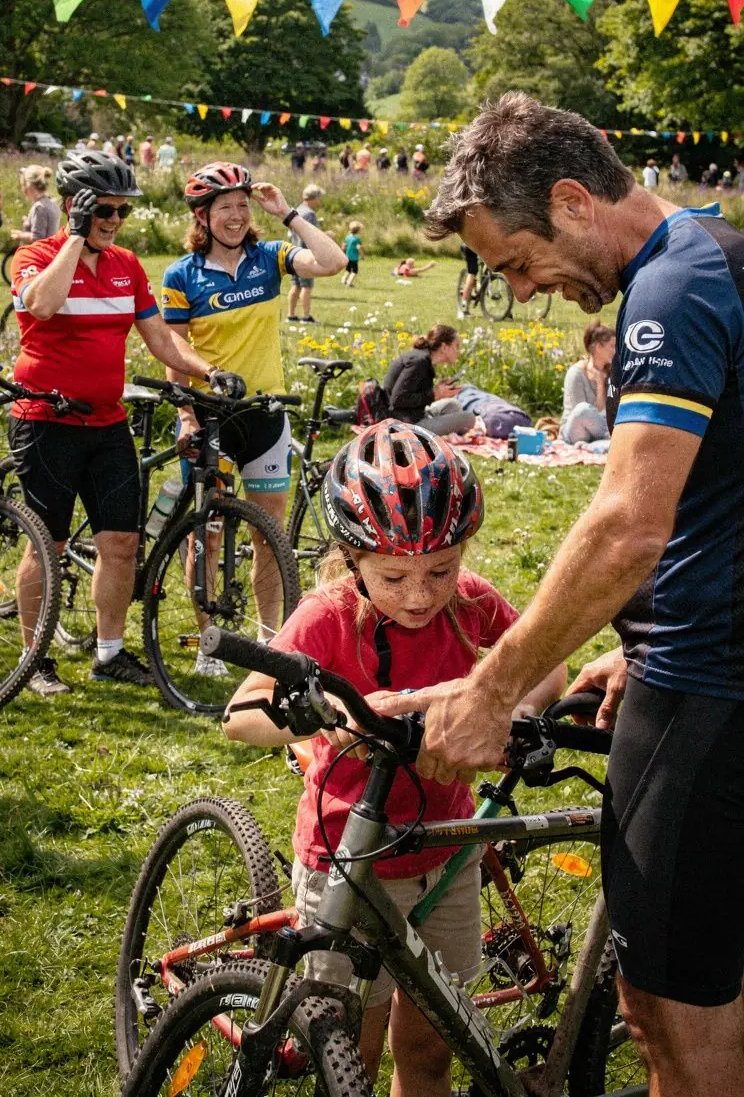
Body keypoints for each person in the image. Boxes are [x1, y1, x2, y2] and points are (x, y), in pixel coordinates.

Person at [377, 90, 744, 1097]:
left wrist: (492, 690)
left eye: (515, 262)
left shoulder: (670, 294)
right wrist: (643, 633)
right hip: (698, 652)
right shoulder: (725, 255)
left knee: (668, 1009)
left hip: (709, 685)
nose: (526, 290)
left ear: (574, 200)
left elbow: (629, 519)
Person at [224, 420, 566, 1097]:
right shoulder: (326, 615)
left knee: (431, 1047)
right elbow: (239, 718)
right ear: (351, 560)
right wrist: (337, 716)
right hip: (348, 858)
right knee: (354, 1045)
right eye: (393, 576)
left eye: (440, 570)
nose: (418, 594)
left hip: (445, 852)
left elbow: (546, 664)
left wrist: (511, 708)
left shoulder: (470, 603)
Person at [8, 151, 224, 697]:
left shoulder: (127, 264)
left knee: (122, 542)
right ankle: (33, 659)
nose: (113, 221)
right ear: (73, 206)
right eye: (103, 209)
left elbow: (159, 337)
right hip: (45, 421)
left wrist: (209, 372)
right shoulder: (35, 256)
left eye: (121, 212)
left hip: (107, 424)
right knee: (47, 545)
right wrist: (75, 238)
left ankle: (109, 653)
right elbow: (44, 306)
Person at [161, 162, 346, 647]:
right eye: (225, 208)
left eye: (243, 206)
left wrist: (287, 213)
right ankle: (210, 642)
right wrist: (185, 411)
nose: (237, 216)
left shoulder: (270, 258)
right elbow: (174, 349)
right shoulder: (182, 274)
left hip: (265, 416)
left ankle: (269, 640)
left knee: (270, 535)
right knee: (211, 534)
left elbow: (332, 262)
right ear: (202, 216)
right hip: (210, 416)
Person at [382, 323, 476, 437]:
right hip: (405, 425)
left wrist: (438, 390)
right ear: (444, 347)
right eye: (456, 346)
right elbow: (397, 400)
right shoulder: (419, 362)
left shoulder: (423, 359)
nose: (459, 351)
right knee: (469, 418)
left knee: (453, 405)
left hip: (414, 414)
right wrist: (435, 395)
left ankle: (437, 425)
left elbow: (412, 392)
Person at [560, 321, 615, 444]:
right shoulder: (576, 374)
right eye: (612, 346)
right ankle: (614, 440)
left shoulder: (611, 374)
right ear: (598, 347)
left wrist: (601, 385)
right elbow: (580, 414)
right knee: (583, 409)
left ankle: (597, 445)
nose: (616, 351)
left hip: (597, 432)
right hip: (575, 431)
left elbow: (605, 411)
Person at [287, 184, 323, 324]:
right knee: (307, 286)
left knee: (295, 285)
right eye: (319, 198)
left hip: (293, 254)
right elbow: (310, 236)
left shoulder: (296, 211)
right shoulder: (310, 214)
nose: (320, 202)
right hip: (305, 255)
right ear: (314, 198)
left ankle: (291, 315)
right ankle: (306, 316)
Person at [11, 166, 60, 245]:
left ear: (30, 186)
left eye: (23, 185)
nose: (23, 190)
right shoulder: (52, 203)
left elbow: (37, 238)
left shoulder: (39, 207)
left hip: (39, 255)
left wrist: (20, 235)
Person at [457, 242, 479, 318]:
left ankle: (473, 287)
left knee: (474, 273)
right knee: (472, 273)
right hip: (470, 248)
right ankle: (464, 307)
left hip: (470, 246)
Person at [341, 220, 362, 285]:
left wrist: (343, 252)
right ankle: (349, 282)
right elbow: (358, 247)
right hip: (354, 258)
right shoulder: (357, 239)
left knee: (348, 269)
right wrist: (362, 255)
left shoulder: (347, 237)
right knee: (355, 271)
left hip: (347, 256)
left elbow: (344, 246)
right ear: (358, 231)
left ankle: (343, 280)